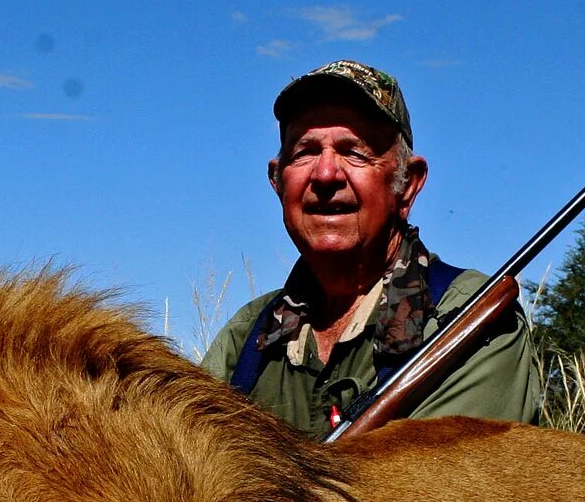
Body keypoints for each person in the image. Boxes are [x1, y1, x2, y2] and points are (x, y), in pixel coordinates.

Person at [202, 60, 541, 437]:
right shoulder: (247, 336)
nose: (326, 174)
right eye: (304, 151)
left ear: (408, 185)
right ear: (277, 182)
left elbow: (436, 492)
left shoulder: (471, 318)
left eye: (354, 151)